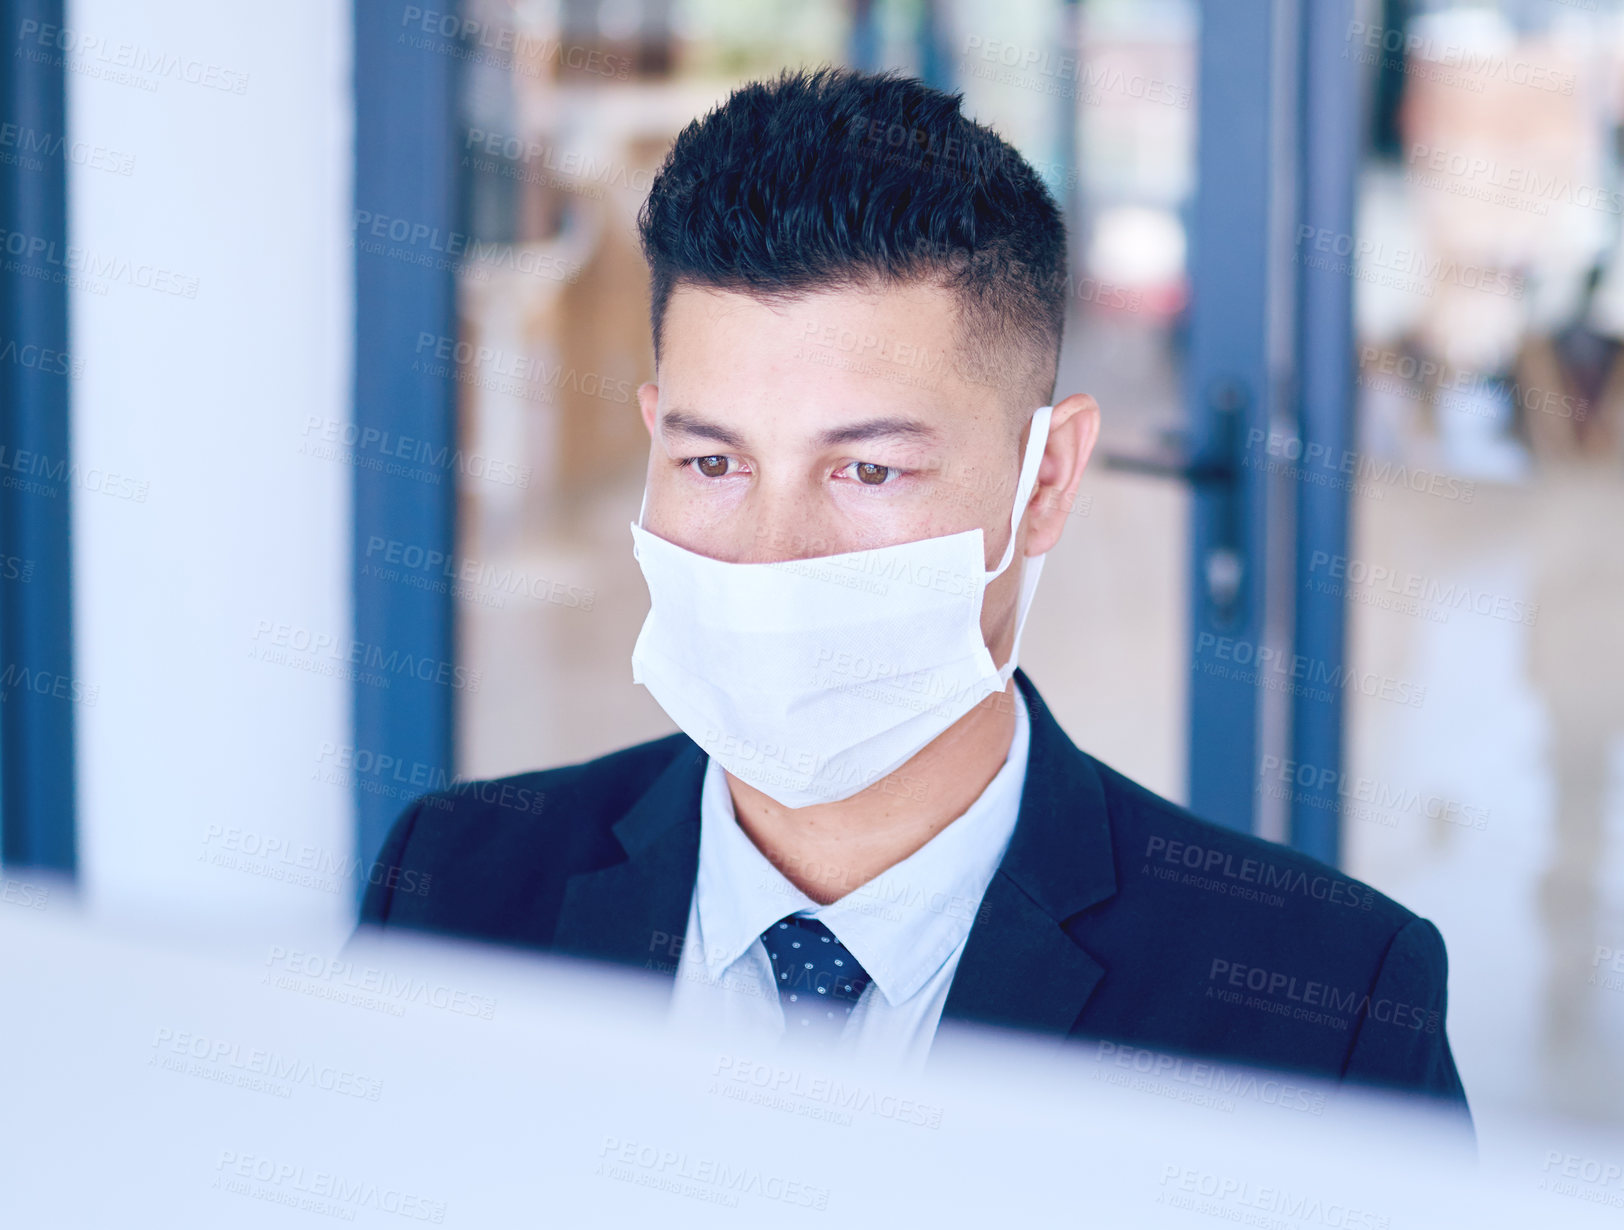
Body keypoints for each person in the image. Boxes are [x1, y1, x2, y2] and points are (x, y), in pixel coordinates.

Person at [356, 68, 1470, 1118]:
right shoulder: (453, 889)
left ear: (1046, 480)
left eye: (868, 470)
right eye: (713, 463)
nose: (769, 555)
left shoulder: (1323, 1005)